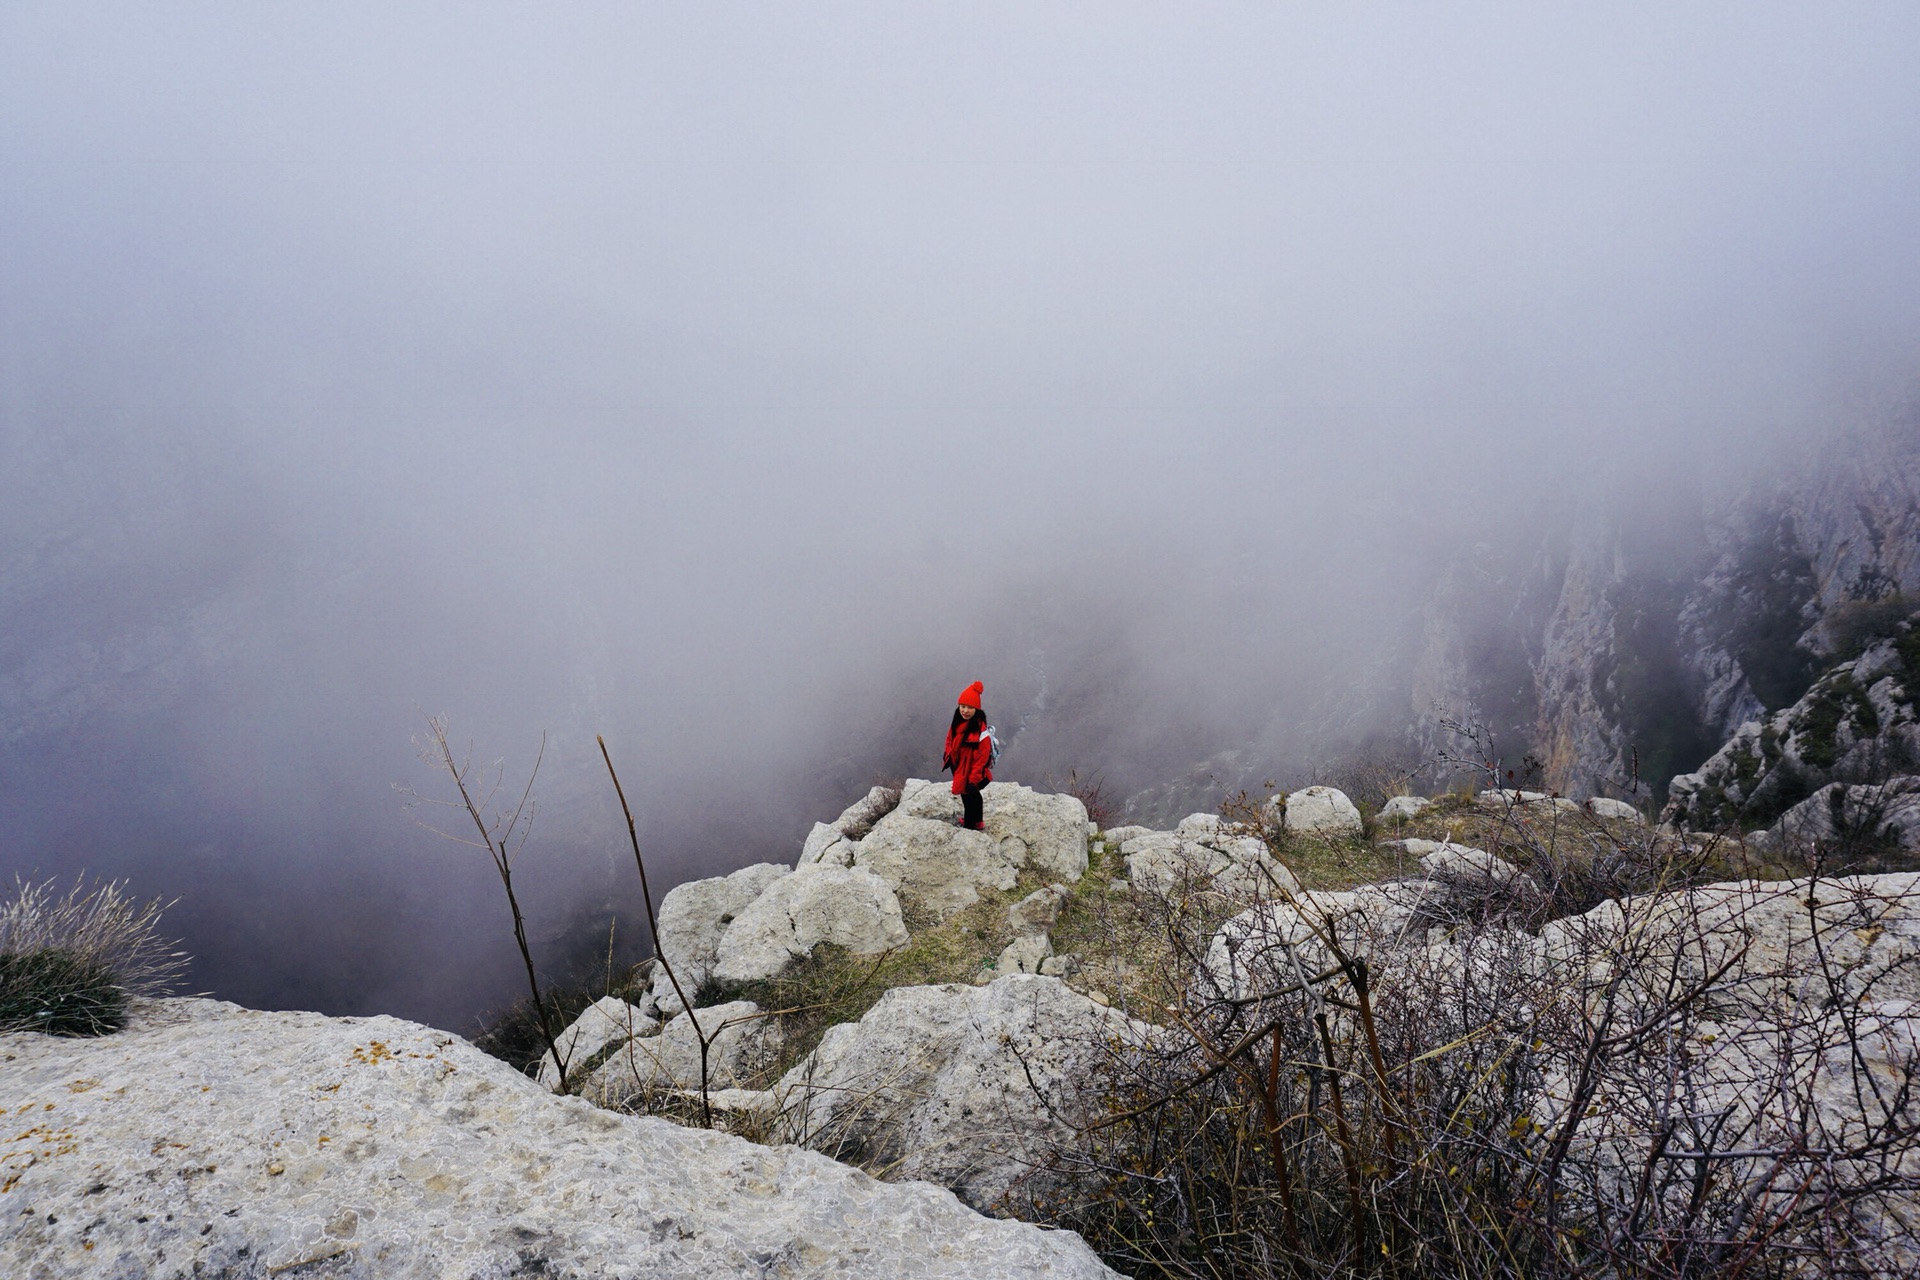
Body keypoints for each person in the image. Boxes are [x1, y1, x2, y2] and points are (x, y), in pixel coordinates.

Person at [942, 681, 994, 831]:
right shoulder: (957, 723)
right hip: (959, 767)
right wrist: (948, 756)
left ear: (976, 709)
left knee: (969, 797)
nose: (965, 710)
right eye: (962, 706)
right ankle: (978, 821)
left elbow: (982, 758)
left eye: (970, 707)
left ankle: (970, 826)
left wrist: (974, 778)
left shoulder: (981, 732)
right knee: (973, 796)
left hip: (971, 771)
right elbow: (949, 740)